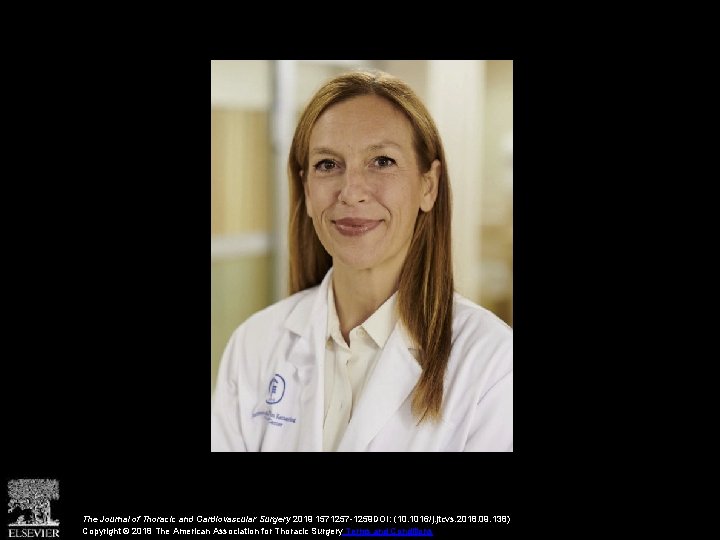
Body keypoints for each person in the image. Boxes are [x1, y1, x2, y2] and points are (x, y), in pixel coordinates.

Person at [211, 69, 512, 452]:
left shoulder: (492, 364)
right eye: (327, 164)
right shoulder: (254, 343)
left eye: (382, 161)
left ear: (429, 185)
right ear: (306, 190)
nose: (351, 192)